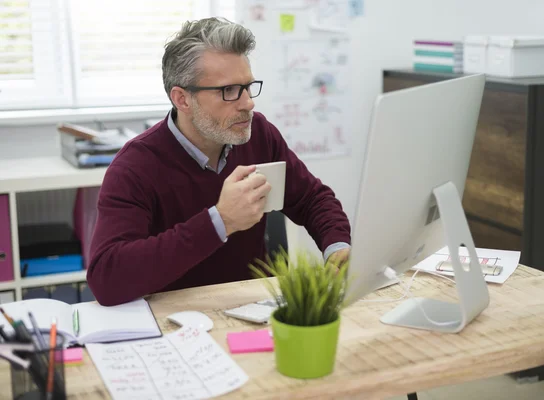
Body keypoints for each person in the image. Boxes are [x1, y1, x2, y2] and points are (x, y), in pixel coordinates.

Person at [86, 17, 352, 306]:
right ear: (182, 99)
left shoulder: (259, 134)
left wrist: (336, 246)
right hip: (176, 319)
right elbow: (106, 278)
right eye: (229, 91)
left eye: (249, 87)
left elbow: (312, 198)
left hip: (252, 308)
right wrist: (220, 222)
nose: (248, 103)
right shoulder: (134, 167)